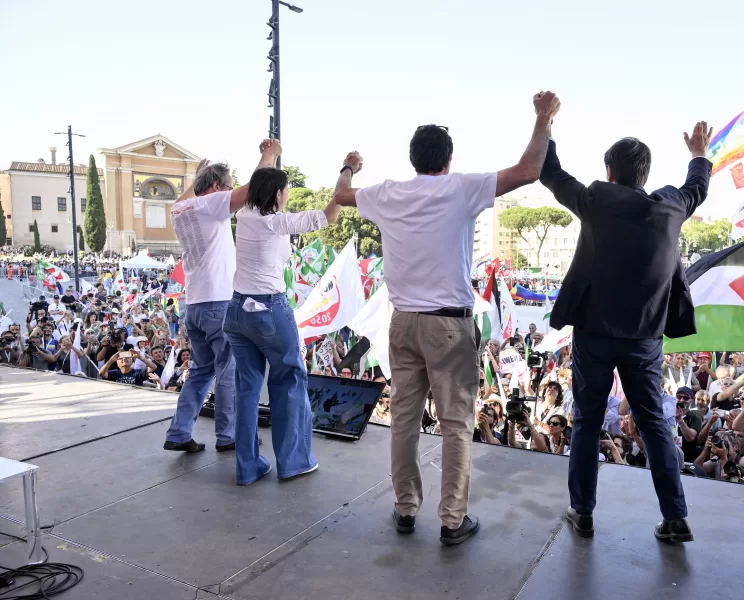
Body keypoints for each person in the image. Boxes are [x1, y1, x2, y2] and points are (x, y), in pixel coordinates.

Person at [333, 91, 561, 545]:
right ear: (448, 160)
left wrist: (350, 166)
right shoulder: (461, 188)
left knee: (403, 419)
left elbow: (341, 194)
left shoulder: (387, 193)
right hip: (448, 326)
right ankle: (453, 520)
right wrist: (543, 119)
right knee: (456, 423)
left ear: (413, 160)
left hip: (402, 323)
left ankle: (405, 508)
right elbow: (528, 170)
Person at [540, 120, 713, 541]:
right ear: (645, 175)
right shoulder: (671, 206)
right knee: (654, 424)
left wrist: (544, 122)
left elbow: (551, 173)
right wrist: (698, 153)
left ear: (610, 172)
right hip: (645, 338)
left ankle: (582, 511)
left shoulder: (598, 198)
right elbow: (698, 188)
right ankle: (675, 516)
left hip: (594, 334)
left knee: (586, 421)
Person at [224, 164, 337, 486]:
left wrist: (267, 157)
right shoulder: (277, 223)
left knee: (246, 389)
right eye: (285, 189)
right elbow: (329, 214)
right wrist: (346, 173)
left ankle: (247, 467)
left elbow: (254, 185)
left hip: (237, 310)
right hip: (269, 310)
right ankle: (293, 462)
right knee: (289, 382)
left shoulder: (244, 216)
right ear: (277, 193)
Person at [164, 139, 279, 454]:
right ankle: (228, 435)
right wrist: (269, 155)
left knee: (201, 371)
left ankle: (179, 432)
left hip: (195, 305)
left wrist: (196, 179)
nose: (230, 191)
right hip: (218, 302)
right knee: (228, 369)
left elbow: (190, 195)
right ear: (216, 186)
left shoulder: (180, 209)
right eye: (226, 186)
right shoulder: (209, 205)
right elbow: (251, 191)